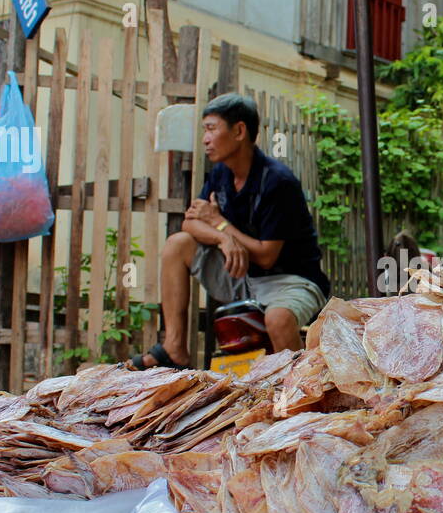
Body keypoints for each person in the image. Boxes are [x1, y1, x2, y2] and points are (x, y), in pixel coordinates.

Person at [131, 93, 329, 368]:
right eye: (204, 130)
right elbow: (190, 222)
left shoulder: (277, 181)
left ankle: (299, 390)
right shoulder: (220, 174)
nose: (205, 139)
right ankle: (174, 347)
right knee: (178, 243)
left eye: (212, 129)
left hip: (292, 281)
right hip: (242, 274)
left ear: (239, 131)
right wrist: (223, 237)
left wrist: (220, 223)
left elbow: (267, 256)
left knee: (278, 318)